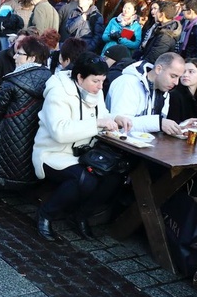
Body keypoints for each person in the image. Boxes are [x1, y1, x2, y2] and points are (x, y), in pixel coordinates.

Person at [32, 52, 132, 241]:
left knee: (115, 175)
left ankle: (81, 215)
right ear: (79, 77)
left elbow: (102, 114)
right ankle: (45, 214)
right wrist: (98, 123)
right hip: (52, 153)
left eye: (102, 81)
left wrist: (114, 117)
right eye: (96, 81)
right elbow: (60, 132)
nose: (100, 86)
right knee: (85, 179)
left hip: (84, 153)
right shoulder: (58, 92)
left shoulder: (95, 90)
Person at [0, 36, 51, 191]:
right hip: (32, 147)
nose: (14, 56)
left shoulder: (12, 81)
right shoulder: (50, 79)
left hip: (4, 144)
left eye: (19, 53)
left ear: (31, 58)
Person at [106, 52, 185, 134]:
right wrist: (159, 123)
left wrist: (180, 126)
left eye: (179, 77)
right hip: (111, 144)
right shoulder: (127, 82)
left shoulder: (164, 91)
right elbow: (121, 126)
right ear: (158, 69)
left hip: (140, 145)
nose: (176, 82)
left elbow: (157, 125)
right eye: (173, 76)